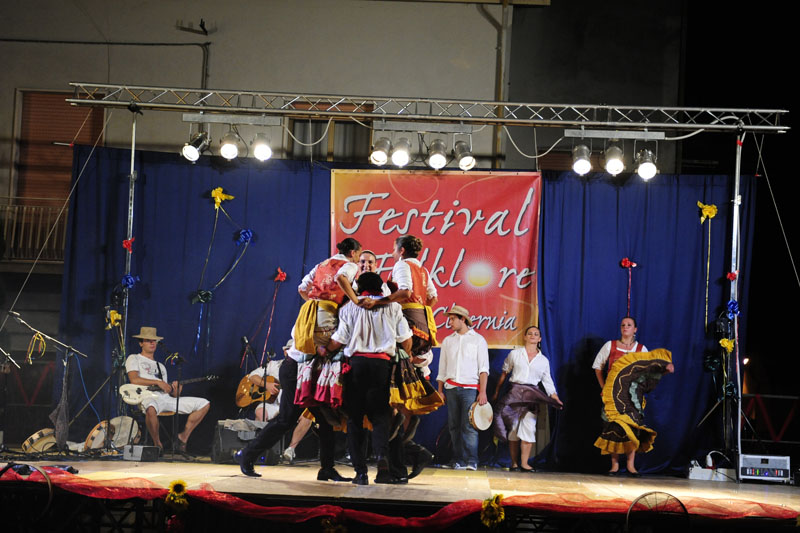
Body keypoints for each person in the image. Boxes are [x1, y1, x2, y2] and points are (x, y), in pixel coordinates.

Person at [236, 238, 362, 480]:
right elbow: (341, 280)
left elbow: (302, 288)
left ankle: (326, 468)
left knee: (326, 418)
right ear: (354, 253)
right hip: (298, 366)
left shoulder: (320, 266)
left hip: (306, 362)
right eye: (358, 256)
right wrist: (350, 301)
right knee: (287, 418)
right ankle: (248, 455)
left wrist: (315, 304)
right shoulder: (348, 268)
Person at [320, 272, 413, 485]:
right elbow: (406, 341)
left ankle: (360, 472)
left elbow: (339, 340)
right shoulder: (393, 308)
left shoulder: (349, 308)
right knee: (381, 418)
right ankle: (382, 463)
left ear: (358, 288)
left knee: (355, 420)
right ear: (381, 288)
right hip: (382, 366)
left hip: (355, 368)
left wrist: (324, 349)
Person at [125, 326, 210, 454]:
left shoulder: (161, 367)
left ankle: (183, 437)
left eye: (154, 341)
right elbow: (134, 380)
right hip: (146, 397)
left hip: (165, 399)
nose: (152, 343)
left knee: (204, 403)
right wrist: (157, 382)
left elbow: (171, 394)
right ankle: (157, 444)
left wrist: (176, 390)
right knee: (151, 407)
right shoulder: (134, 358)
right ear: (141, 343)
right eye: (148, 340)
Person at [491, 326, 562, 472]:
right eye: (530, 333)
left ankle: (524, 463)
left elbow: (547, 382)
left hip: (531, 396)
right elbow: (505, 372)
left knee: (528, 428)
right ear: (524, 337)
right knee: (513, 430)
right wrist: (497, 391)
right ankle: (514, 463)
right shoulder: (515, 354)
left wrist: (554, 398)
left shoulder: (543, 361)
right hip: (514, 394)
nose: (533, 336)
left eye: (536, 334)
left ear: (540, 339)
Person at [591, 316, 648, 475]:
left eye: (629, 325)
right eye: (623, 325)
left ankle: (630, 465)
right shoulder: (610, 345)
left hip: (632, 397)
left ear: (635, 329)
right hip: (612, 395)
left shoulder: (641, 349)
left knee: (631, 429)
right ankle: (614, 465)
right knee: (612, 428)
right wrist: (604, 387)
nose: (625, 327)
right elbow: (597, 367)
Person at [436, 305, 489, 471]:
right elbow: (442, 368)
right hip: (451, 388)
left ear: (463, 319)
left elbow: (483, 368)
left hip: (470, 388)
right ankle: (457, 459)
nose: (449, 322)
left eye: (452, 319)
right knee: (453, 425)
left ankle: (471, 460)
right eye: (449, 319)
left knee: (469, 425)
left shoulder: (478, 340)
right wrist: (440, 390)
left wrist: (482, 391)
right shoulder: (448, 341)